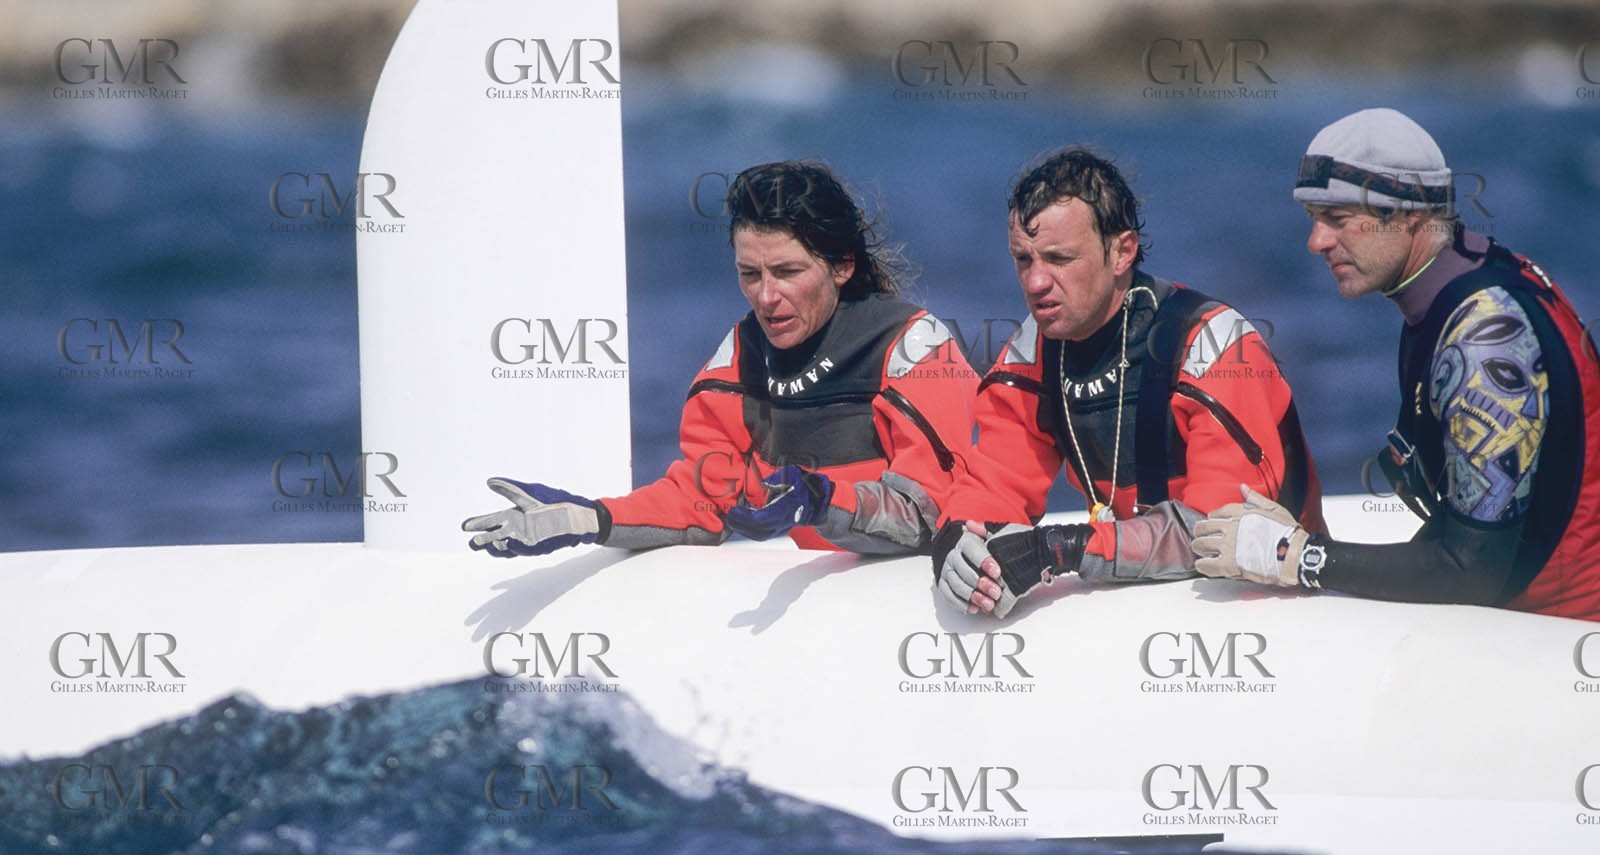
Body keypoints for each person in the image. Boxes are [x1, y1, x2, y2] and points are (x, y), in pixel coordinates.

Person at [1192, 108, 1600, 621]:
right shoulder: (1462, 275)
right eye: (1313, 219)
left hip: (1563, 641)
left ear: (1410, 215)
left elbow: (1471, 571)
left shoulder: (1485, 337)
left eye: (1337, 220)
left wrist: (1295, 557)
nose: (1315, 242)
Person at [463, 160, 977, 558]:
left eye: (786, 271)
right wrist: (590, 520)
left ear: (842, 265)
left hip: (918, 594)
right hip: (826, 603)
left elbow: (924, 515)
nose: (766, 297)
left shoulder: (915, 347)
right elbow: (702, 499)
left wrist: (821, 500)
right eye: (750, 274)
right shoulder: (741, 360)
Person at [934, 146, 1323, 617]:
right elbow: (990, 486)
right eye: (1023, 259)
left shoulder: (1214, 347)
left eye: (1059, 258)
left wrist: (1061, 549)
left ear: (1122, 251)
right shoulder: (1035, 350)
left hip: (1273, 603)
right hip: (1143, 595)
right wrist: (959, 543)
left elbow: (1221, 534)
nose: (1036, 282)